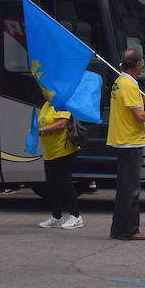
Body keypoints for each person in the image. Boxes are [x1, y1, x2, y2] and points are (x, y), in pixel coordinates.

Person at [107, 49, 145, 241]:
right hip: (129, 142)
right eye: (141, 62)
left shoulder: (119, 82)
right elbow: (139, 117)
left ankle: (118, 228)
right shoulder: (129, 84)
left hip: (122, 140)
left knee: (124, 188)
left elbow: (134, 111)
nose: (142, 65)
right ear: (137, 65)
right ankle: (130, 229)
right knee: (131, 188)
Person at [36, 97, 83, 229]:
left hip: (64, 150)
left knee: (65, 183)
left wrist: (41, 131)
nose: (44, 92)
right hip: (50, 152)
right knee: (52, 184)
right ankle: (57, 217)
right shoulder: (46, 105)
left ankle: (76, 217)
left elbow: (61, 124)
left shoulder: (62, 102)